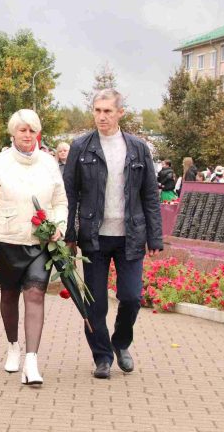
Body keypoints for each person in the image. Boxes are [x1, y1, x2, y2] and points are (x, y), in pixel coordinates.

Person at [63, 88, 162, 380]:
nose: (102, 116)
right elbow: (70, 192)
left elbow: (150, 196)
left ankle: (121, 344)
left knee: (131, 297)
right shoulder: (81, 147)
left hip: (130, 235)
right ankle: (102, 357)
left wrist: (154, 237)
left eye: (108, 111)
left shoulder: (138, 148)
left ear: (120, 113)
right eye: (97, 110)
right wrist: (69, 233)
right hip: (94, 236)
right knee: (96, 303)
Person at [0, 110, 67, 385]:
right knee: (8, 297)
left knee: (35, 295)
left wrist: (58, 227)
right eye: (22, 130)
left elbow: (61, 201)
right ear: (13, 133)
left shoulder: (49, 163)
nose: (28, 135)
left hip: (40, 243)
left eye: (32, 130)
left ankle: (32, 361)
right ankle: (13, 345)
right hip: (6, 242)